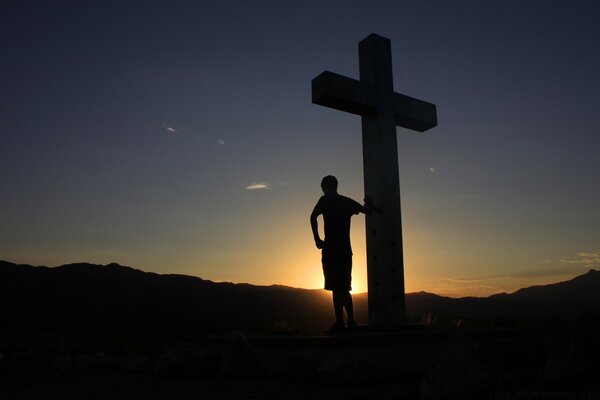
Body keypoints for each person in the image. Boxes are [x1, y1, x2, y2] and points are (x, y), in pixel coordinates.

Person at [310, 175, 373, 333]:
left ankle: (344, 322)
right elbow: (367, 211)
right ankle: (347, 321)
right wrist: (369, 204)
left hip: (331, 250)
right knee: (342, 287)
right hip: (343, 250)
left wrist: (317, 239)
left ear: (327, 187)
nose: (323, 190)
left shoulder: (324, 201)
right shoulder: (346, 202)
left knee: (337, 288)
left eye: (323, 187)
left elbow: (312, 217)